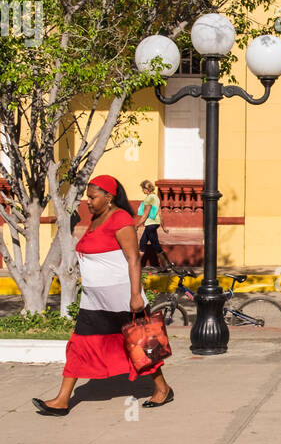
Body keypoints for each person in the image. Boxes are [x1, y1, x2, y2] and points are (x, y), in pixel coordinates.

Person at [32, 175, 174, 415]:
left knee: (140, 346)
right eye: (88, 197)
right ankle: (62, 399)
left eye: (93, 197)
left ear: (108, 197)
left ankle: (162, 389)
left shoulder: (120, 219)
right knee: (79, 343)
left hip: (121, 296)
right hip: (94, 299)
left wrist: (135, 295)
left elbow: (133, 259)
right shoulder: (97, 219)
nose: (88, 201)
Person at [135, 180, 170, 270]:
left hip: (150, 224)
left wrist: (137, 225)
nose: (143, 191)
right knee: (142, 244)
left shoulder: (149, 198)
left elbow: (145, 214)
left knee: (156, 246)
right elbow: (160, 213)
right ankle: (135, 266)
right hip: (155, 223)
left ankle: (165, 266)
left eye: (143, 189)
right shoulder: (156, 197)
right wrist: (163, 227)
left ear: (146, 189)